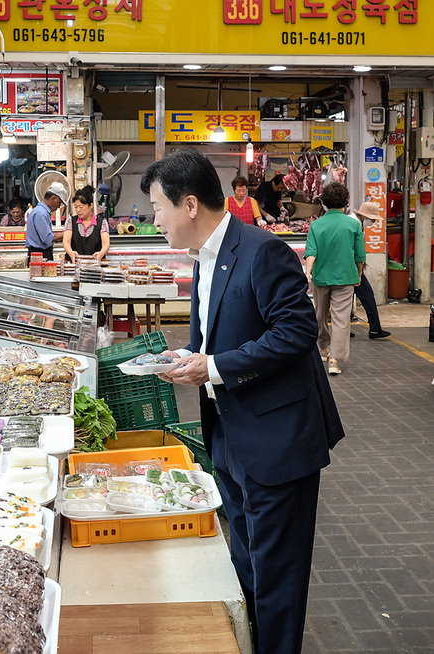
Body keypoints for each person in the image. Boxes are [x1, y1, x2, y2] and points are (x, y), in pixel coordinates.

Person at [141, 149, 344, 654]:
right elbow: (218, 339)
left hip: (276, 442)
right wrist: (189, 357)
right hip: (229, 437)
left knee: (278, 577)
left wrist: (214, 367)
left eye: (158, 207)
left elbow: (297, 331)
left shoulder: (262, 250)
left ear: (190, 205)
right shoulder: (204, 258)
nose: (155, 219)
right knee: (247, 564)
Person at [304, 183, 366, 375]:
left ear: (324, 202)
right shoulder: (353, 225)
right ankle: (334, 360)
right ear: (345, 202)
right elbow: (360, 255)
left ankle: (323, 346)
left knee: (320, 314)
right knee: (341, 319)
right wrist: (359, 273)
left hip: (321, 277)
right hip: (346, 277)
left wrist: (308, 272)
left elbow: (311, 251)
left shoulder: (316, 225)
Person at [351, 201, 391, 339]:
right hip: (353, 268)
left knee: (345, 299)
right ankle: (375, 329)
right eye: (372, 219)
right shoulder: (355, 224)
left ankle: (344, 329)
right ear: (364, 216)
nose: (373, 222)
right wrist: (359, 270)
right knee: (367, 296)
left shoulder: (355, 222)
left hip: (348, 266)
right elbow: (358, 250)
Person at [62, 185, 110, 263]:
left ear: (91, 205)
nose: (78, 210)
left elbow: (106, 243)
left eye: (81, 207)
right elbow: (66, 242)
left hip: (95, 265)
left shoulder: (102, 223)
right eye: (76, 207)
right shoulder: (70, 221)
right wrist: (71, 253)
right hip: (74, 264)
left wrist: (101, 254)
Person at [25, 181, 68, 261]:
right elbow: (47, 238)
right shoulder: (41, 213)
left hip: (40, 252)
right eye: (59, 203)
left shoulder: (41, 212)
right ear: (53, 198)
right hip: (39, 254)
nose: (59, 206)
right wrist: (66, 233)